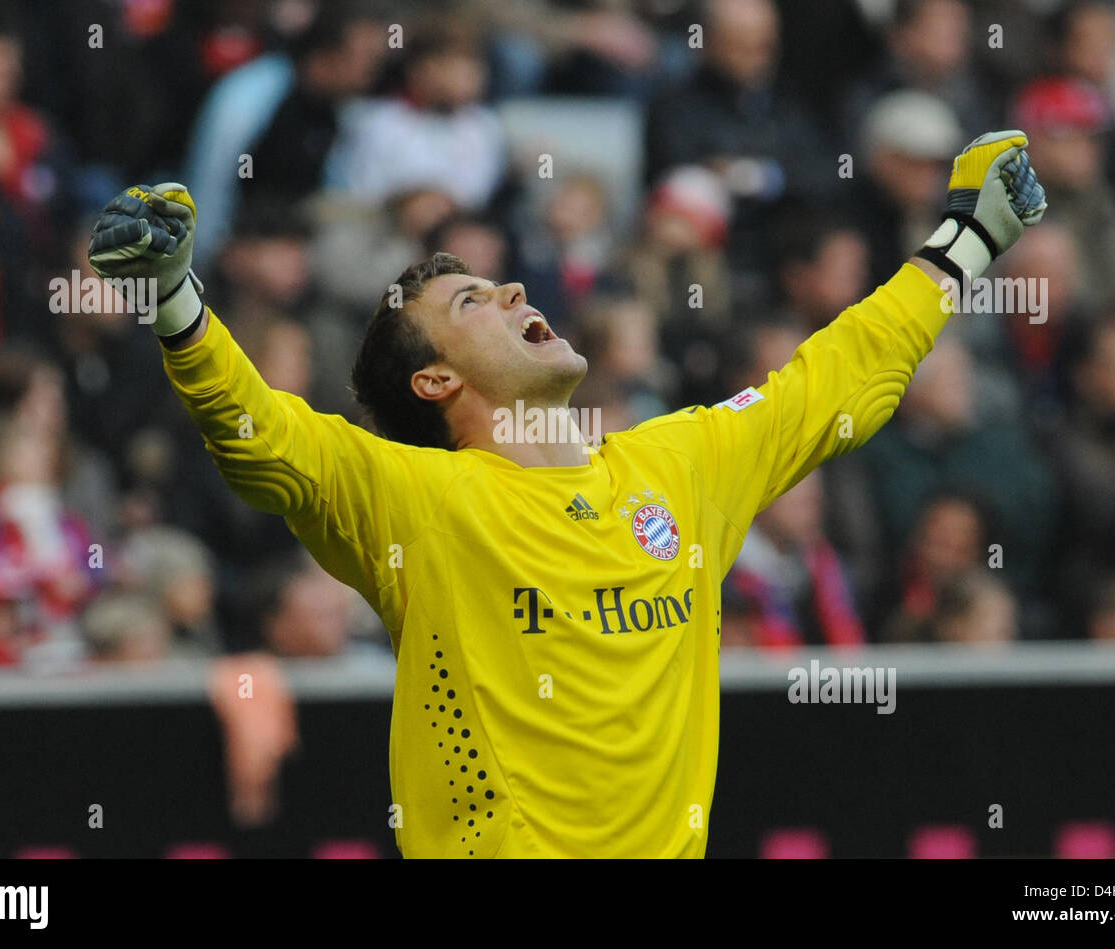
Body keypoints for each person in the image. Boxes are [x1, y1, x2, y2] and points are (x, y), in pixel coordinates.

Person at [86, 131, 1046, 857]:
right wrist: (178, 301)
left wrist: (967, 240)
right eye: (471, 304)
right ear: (434, 383)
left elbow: (834, 380)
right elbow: (265, 440)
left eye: (504, 287)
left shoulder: (679, 465)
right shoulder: (414, 498)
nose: (511, 296)